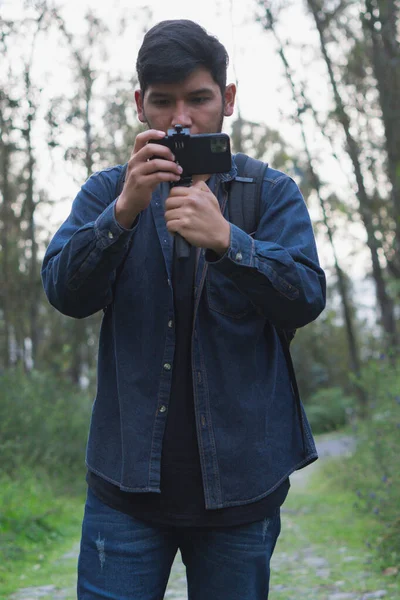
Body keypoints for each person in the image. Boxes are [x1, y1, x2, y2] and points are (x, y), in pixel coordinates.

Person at [42, 19, 326, 600]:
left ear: (227, 100)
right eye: (163, 101)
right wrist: (122, 213)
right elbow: (65, 294)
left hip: (241, 489)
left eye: (198, 99)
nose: (181, 119)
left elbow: (306, 298)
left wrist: (229, 241)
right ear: (139, 105)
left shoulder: (270, 193)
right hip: (125, 487)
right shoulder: (107, 193)